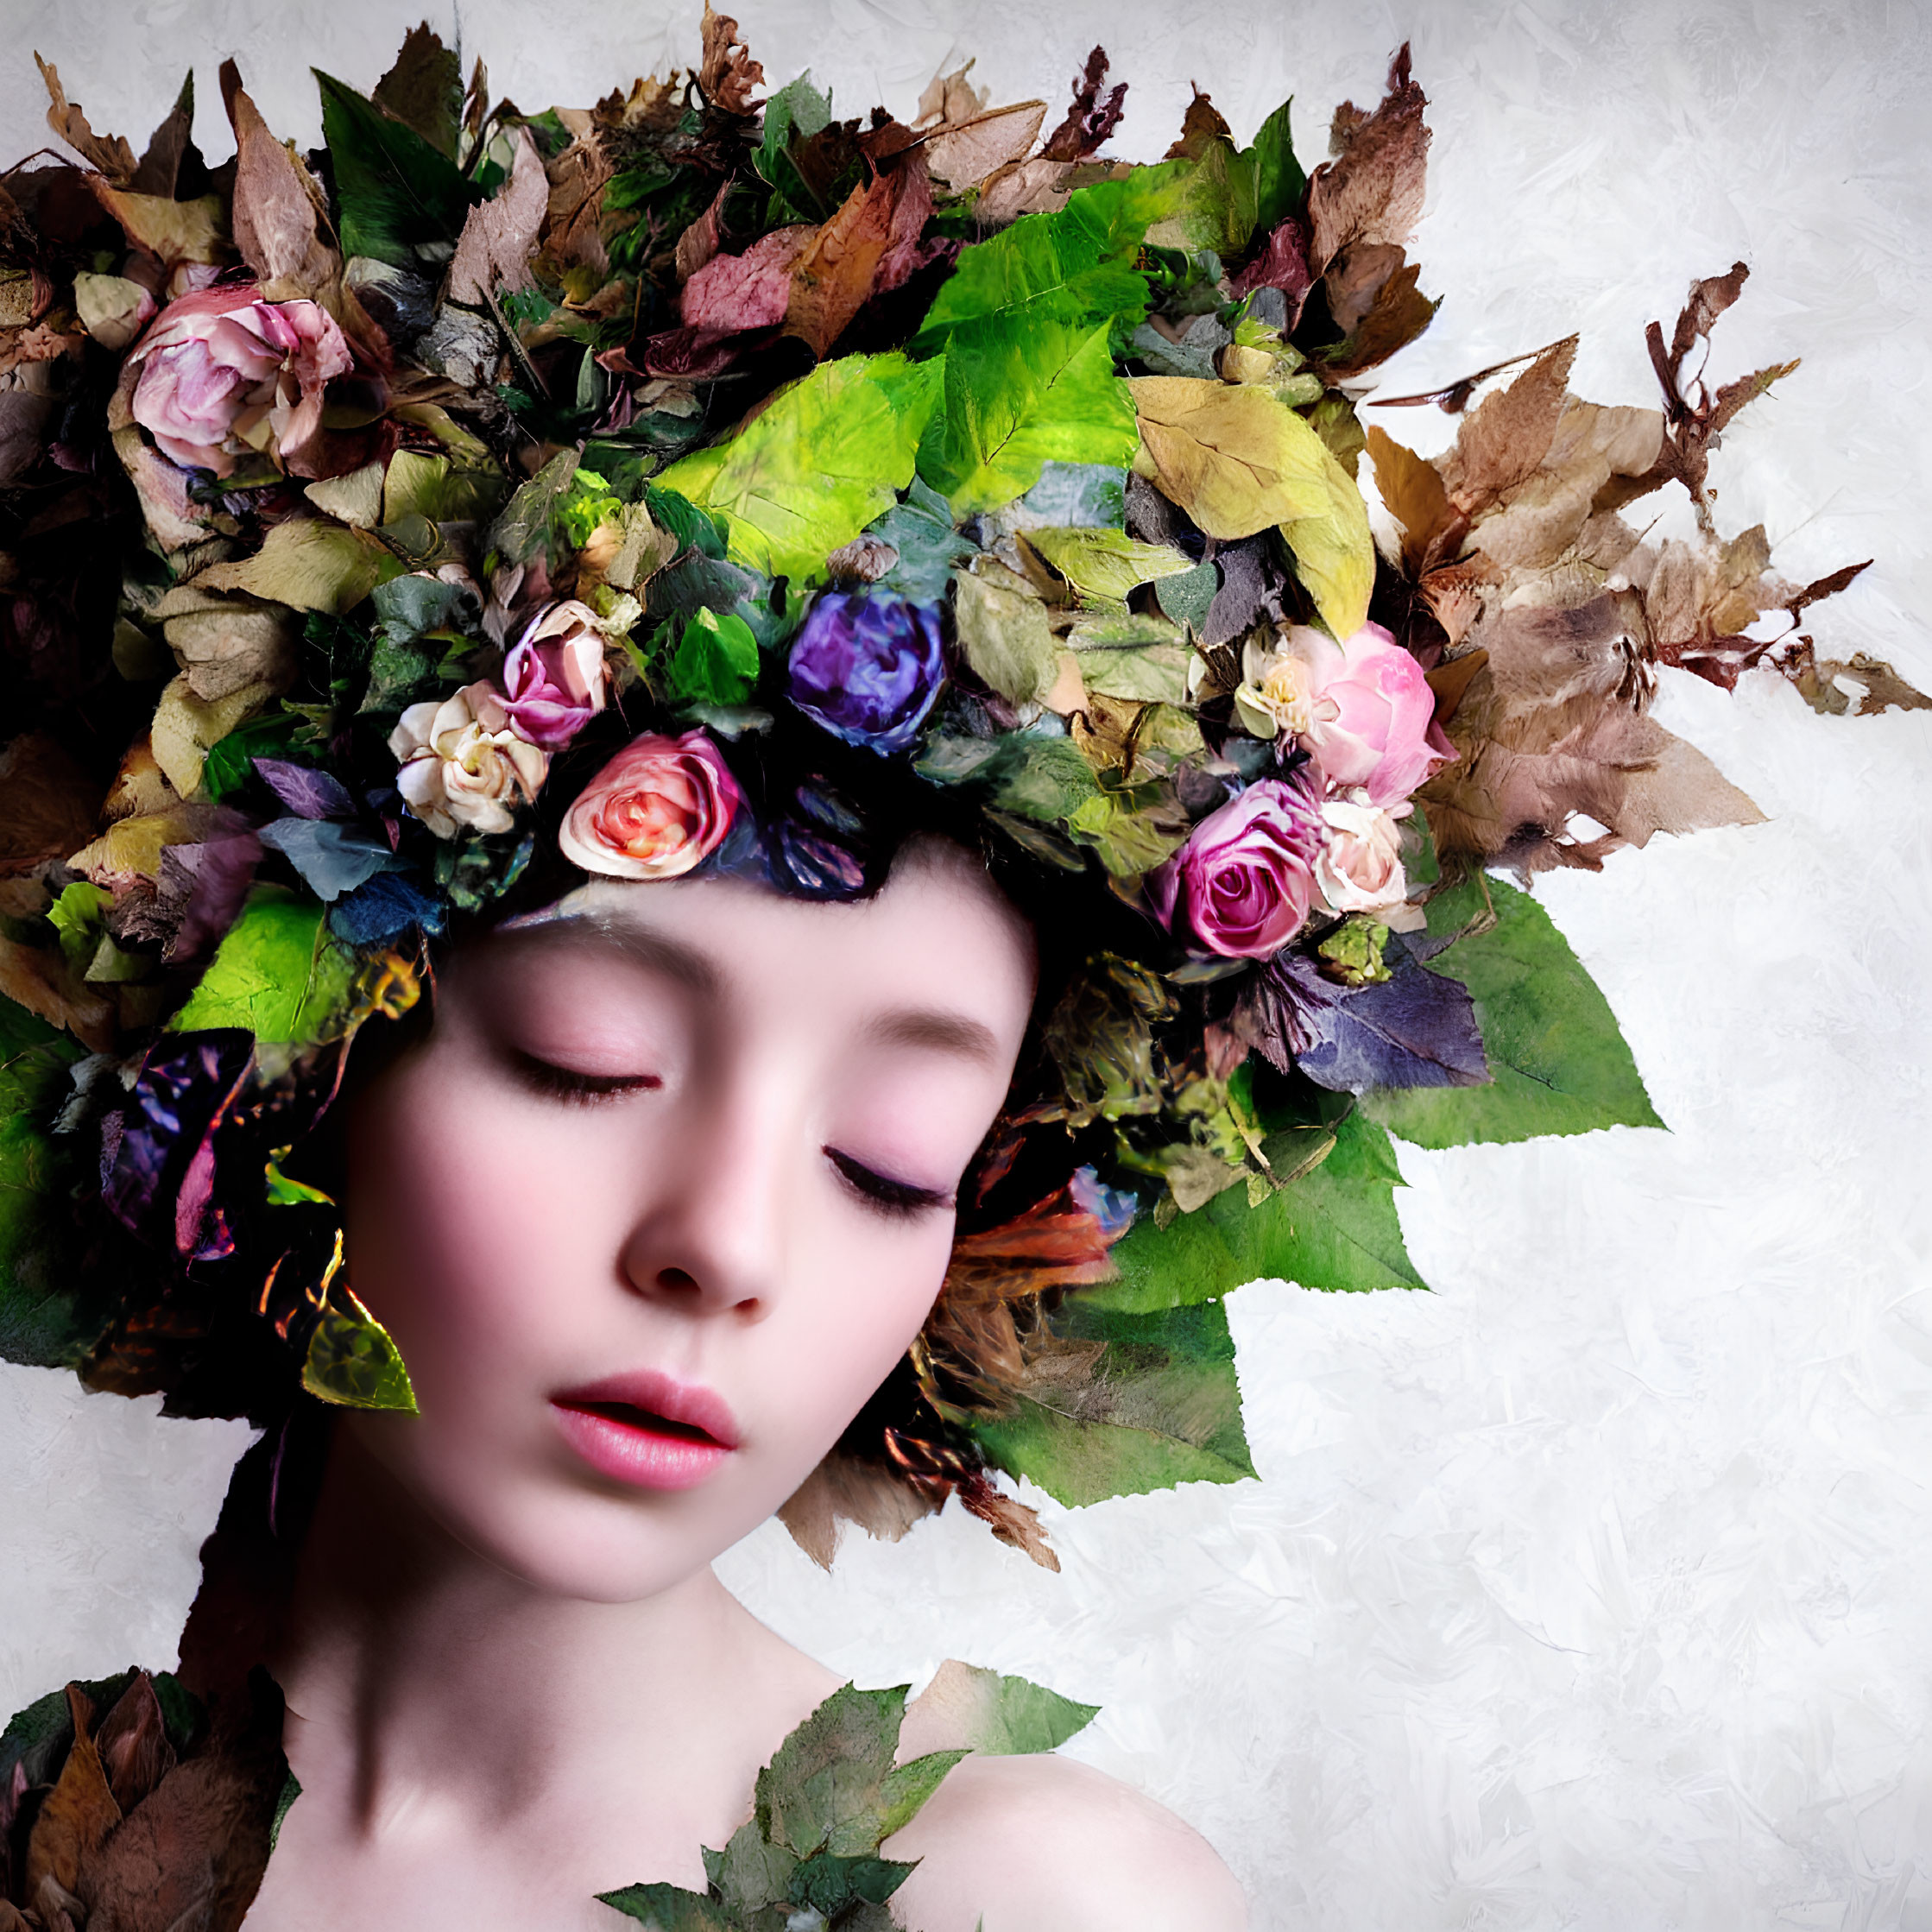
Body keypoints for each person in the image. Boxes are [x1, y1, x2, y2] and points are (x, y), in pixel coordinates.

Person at [3, 15, 1912, 1931]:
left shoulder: (1019, 1906)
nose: (726, 1245)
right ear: (281, 1075)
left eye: (892, 1158)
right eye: (588, 1062)